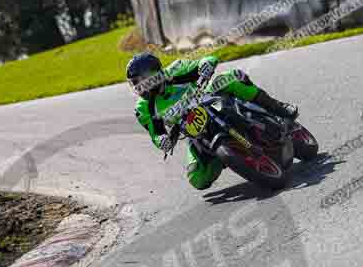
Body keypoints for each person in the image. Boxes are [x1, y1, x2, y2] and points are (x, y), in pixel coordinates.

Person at [126, 52, 298, 191]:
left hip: (209, 100)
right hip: (193, 130)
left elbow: (207, 59)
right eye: (134, 84)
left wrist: (206, 66)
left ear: (155, 73)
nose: (139, 87)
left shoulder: (175, 71)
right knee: (197, 179)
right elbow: (156, 133)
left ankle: (279, 109)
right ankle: (228, 155)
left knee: (230, 78)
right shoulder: (143, 108)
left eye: (142, 81)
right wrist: (162, 141)